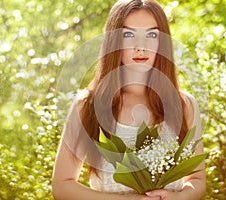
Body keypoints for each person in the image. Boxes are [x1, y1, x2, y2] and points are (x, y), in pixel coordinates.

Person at [52, 0, 206, 199]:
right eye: (128, 34)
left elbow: (197, 180)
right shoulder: (87, 105)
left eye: (152, 35)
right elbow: (62, 187)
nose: (140, 46)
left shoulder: (184, 105)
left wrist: (178, 197)